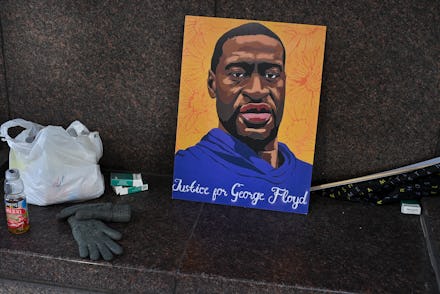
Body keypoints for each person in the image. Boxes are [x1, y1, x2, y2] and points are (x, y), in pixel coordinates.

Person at [173, 22, 312, 213]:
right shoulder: (186, 169)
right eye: (237, 74)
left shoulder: (304, 176)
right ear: (212, 84)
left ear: (284, 84)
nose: (257, 90)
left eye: (271, 75)